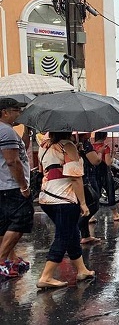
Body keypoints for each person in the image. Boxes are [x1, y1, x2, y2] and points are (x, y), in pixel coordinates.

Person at [35, 132, 94, 289]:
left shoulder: (44, 146)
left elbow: (43, 170)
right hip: (64, 197)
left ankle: (82, 269)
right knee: (63, 235)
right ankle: (46, 276)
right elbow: (75, 177)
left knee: (71, 232)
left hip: (47, 197)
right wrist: (83, 203)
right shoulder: (68, 146)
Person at [0, 98, 32, 279]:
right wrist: (23, 186)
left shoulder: (8, 132)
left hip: (3, 185)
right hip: (12, 186)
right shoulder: (6, 132)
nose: (19, 113)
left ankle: (9, 258)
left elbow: (22, 148)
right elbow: (13, 160)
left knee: (4, 225)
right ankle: (2, 259)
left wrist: (27, 131)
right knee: (20, 222)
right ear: (5, 112)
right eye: (16, 110)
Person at [76, 133, 101, 244]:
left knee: (84, 206)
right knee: (93, 204)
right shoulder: (85, 144)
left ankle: (85, 235)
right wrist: (99, 153)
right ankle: (78, 226)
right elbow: (95, 160)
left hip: (82, 177)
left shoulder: (80, 144)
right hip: (86, 178)